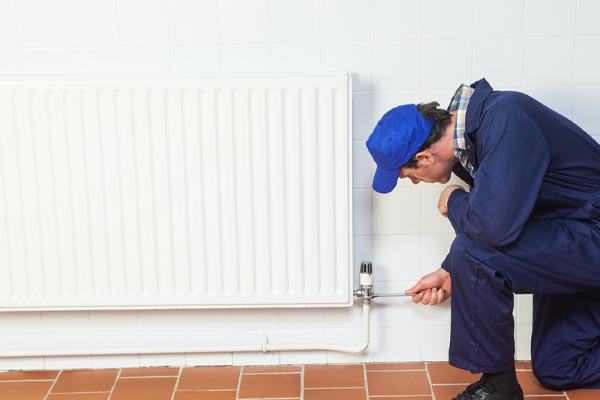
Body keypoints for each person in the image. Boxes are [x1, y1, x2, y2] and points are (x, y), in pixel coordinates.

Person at [366, 78, 600, 400]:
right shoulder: (471, 141)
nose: (417, 184)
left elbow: (492, 229)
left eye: (410, 177)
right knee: (559, 367)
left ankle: (499, 388)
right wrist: (452, 270)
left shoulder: (505, 122)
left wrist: (453, 200)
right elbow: (498, 213)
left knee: (471, 252)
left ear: (423, 158)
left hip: (590, 233)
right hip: (570, 237)